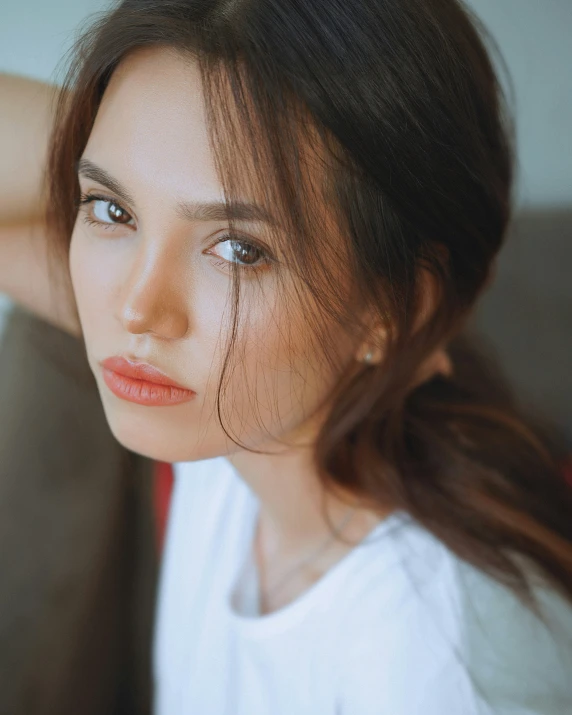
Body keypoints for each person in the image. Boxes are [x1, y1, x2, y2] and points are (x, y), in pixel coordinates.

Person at [1, 1, 572, 713]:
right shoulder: (237, 426)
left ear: (395, 309)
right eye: (113, 210)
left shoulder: (442, 668)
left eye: (240, 250)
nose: (135, 309)